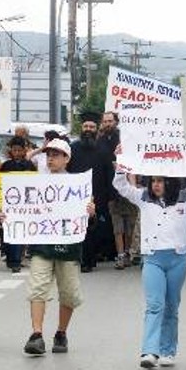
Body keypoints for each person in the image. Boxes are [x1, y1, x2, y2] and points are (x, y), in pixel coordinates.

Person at [113, 169, 186, 369]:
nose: (156, 185)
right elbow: (121, 187)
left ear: (170, 182)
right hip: (153, 258)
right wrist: (121, 168)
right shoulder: (143, 196)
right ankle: (150, 351)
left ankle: (168, 350)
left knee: (171, 306)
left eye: (160, 181)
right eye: (153, 181)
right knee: (154, 305)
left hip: (177, 258)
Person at [23, 138, 96, 355]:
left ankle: (61, 332)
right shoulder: (36, 184)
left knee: (69, 292)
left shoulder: (78, 186)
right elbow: (25, 211)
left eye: (56, 154)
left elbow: (87, 221)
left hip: (68, 247)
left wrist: (90, 213)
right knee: (37, 287)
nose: (51, 158)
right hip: (42, 245)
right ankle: (36, 335)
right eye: (48, 154)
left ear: (67, 158)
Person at [68, 111, 114, 273]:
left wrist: (110, 195)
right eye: (86, 126)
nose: (88, 129)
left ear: (97, 129)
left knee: (93, 228)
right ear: (82, 128)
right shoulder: (72, 148)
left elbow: (109, 173)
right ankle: (80, 259)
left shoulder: (103, 149)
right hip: (74, 194)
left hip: (98, 194)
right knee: (78, 227)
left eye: (92, 126)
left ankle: (90, 259)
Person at [98, 111, 138, 270]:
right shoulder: (99, 141)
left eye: (110, 121)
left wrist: (133, 187)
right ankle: (120, 255)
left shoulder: (125, 139)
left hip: (127, 189)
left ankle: (128, 252)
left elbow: (132, 165)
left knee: (130, 226)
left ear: (116, 122)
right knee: (117, 227)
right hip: (111, 191)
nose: (108, 124)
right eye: (105, 121)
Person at [0, 136, 37, 272]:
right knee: (8, 231)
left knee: (20, 232)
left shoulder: (29, 165)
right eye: (14, 150)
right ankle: (10, 258)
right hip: (9, 203)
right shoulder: (6, 165)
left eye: (19, 150)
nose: (16, 153)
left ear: (24, 151)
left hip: (24, 204)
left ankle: (16, 260)